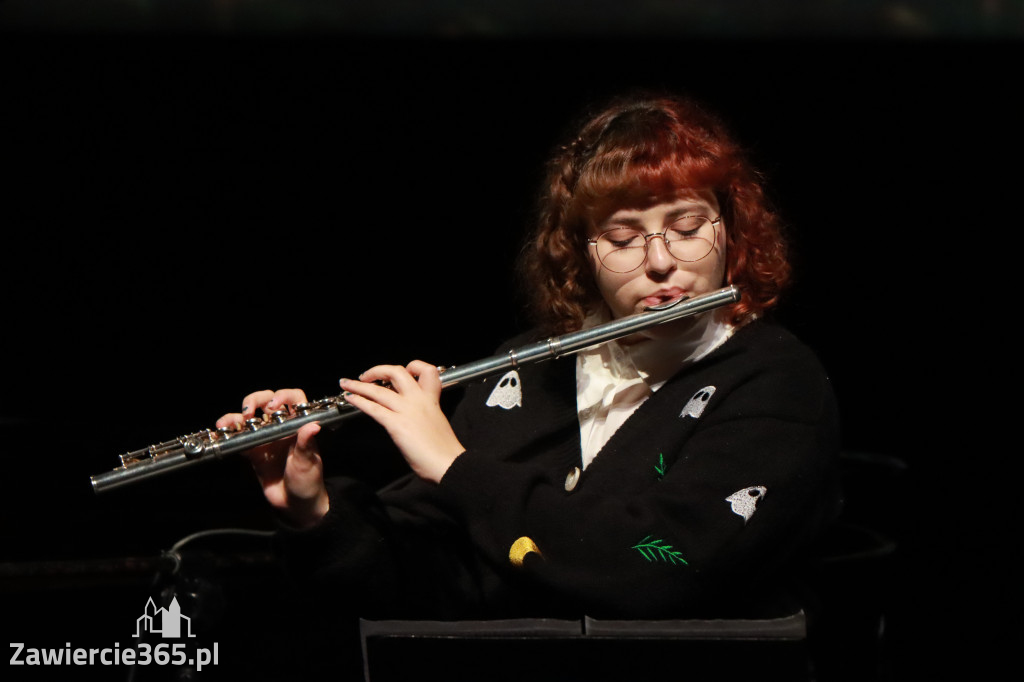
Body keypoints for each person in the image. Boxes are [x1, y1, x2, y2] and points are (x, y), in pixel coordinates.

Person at [216, 92, 842, 624]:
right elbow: (428, 583)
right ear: (581, 251)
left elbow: (663, 567)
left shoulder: (777, 381)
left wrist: (456, 466)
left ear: (729, 229)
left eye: (686, 226)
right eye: (622, 237)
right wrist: (312, 510)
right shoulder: (525, 371)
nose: (658, 261)